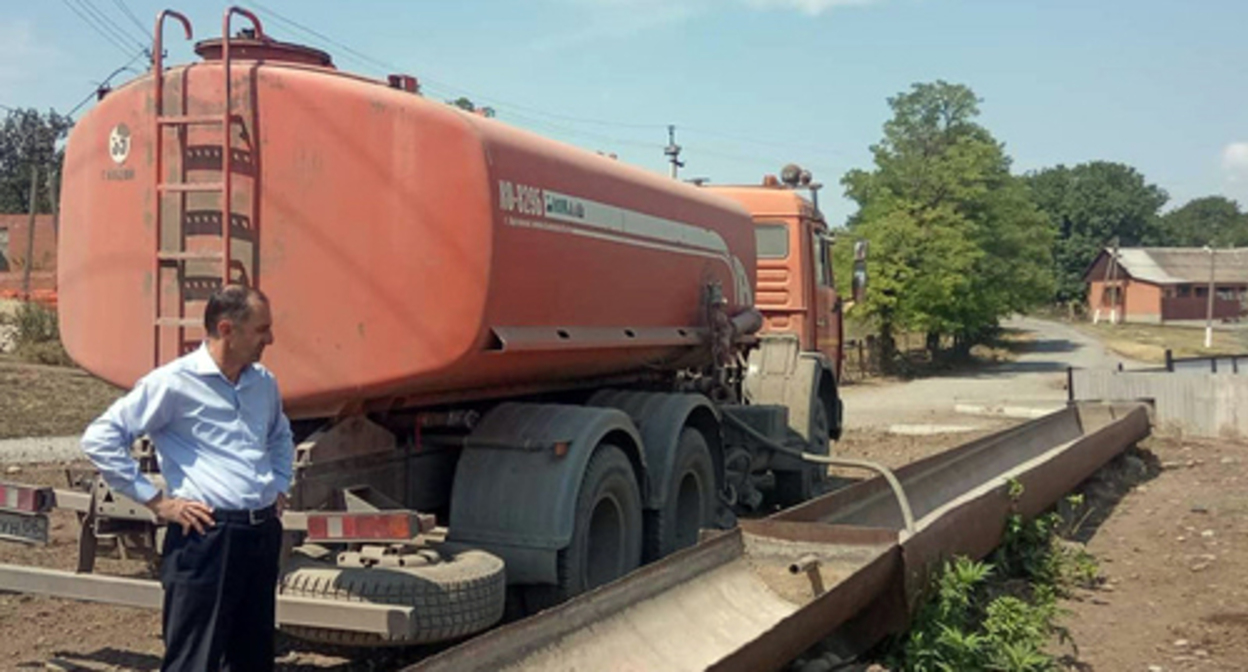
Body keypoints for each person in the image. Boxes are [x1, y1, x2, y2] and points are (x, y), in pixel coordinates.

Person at [80, 284, 294, 671]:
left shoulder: (262, 382)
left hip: (261, 535)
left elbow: (279, 435)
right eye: (262, 329)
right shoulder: (174, 382)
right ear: (227, 329)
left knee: (253, 658)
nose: (271, 338)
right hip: (208, 536)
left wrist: (279, 483)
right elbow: (100, 438)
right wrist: (158, 502)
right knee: (196, 659)